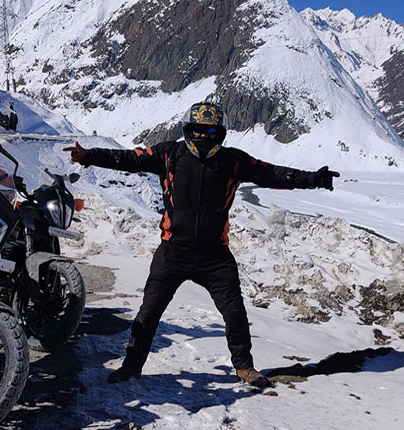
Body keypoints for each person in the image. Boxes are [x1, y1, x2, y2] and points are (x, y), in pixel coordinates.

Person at [63, 102, 339, 387]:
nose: (205, 136)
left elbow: (273, 174)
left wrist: (314, 179)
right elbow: (129, 159)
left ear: (220, 133)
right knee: (148, 313)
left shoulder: (234, 160)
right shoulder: (169, 154)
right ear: (188, 130)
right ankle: (132, 367)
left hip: (215, 256)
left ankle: (245, 368)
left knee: (235, 313)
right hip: (173, 251)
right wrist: (88, 156)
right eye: (199, 130)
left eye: (211, 131)